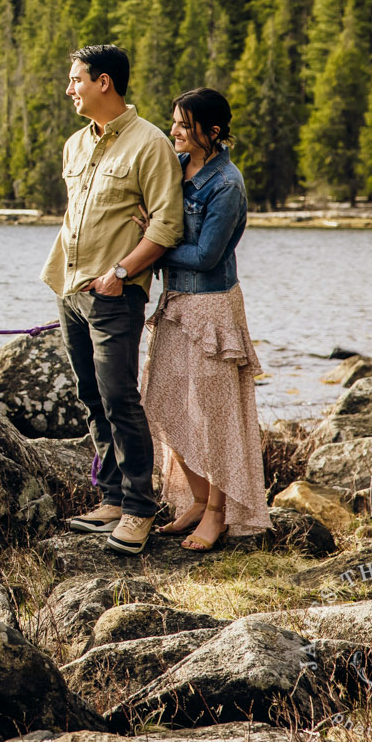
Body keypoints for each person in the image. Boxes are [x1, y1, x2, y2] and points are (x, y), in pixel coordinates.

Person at [42, 45, 184, 555]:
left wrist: (122, 271)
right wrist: (66, 279)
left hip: (116, 295)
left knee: (120, 397)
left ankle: (141, 511)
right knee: (90, 396)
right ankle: (112, 498)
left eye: (76, 79)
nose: (69, 88)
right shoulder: (74, 145)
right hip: (71, 290)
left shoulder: (151, 145)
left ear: (104, 82)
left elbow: (168, 226)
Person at [140, 87, 269, 550]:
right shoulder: (175, 168)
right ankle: (195, 500)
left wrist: (153, 243)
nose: (173, 130)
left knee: (215, 416)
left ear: (211, 132)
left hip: (212, 309)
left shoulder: (227, 184)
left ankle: (218, 513)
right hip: (176, 305)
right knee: (166, 403)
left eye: (183, 124)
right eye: (173, 121)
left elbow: (208, 254)